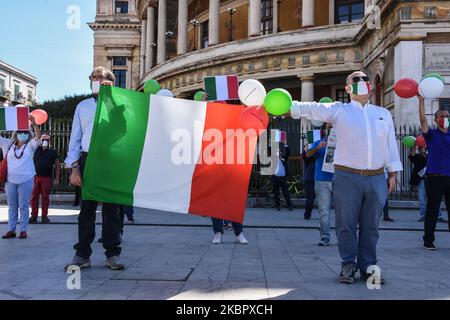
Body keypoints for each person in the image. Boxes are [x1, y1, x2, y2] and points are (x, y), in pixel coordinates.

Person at [291, 71, 402, 284]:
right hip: (347, 177)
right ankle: (348, 265)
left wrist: (393, 173)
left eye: (366, 79)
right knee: (346, 224)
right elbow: (313, 107)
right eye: (357, 80)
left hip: (377, 176)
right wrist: (291, 106)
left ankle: (369, 266)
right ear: (348, 88)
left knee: (371, 226)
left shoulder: (383, 114)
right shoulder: (338, 110)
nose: (363, 82)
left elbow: (390, 146)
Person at [64, 67, 125, 271]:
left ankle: (112, 254)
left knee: (112, 210)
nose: (95, 80)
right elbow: (75, 138)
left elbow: (122, 128)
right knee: (87, 209)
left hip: (111, 159)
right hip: (87, 159)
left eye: (100, 77)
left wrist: (109, 99)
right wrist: (74, 167)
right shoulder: (82, 106)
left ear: (110, 81)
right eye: (93, 77)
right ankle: (82, 254)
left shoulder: (120, 103)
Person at [1, 116, 42, 239]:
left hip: (26, 179)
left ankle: (23, 230)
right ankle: (11, 229)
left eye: (25, 132)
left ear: (28, 134)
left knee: (24, 205)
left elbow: (38, 137)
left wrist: (34, 124)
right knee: (12, 206)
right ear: (15, 133)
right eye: (20, 131)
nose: (22, 134)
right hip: (10, 180)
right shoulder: (8, 144)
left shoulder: (31, 145)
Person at [418, 96, 450, 250]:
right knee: (433, 210)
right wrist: (421, 102)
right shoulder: (431, 135)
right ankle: (428, 241)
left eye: (447, 116)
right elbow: (423, 121)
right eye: (442, 116)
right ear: (436, 120)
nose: (445, 118)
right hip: (434, 178)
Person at [306, 123, 334, 246]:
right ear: (324, 130)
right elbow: (307, 154)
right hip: (322, 180)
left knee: (343, 212)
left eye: (332, 127)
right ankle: (325, 237)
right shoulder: (319, 141)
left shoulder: (343, 143)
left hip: (340, 180)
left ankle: (344, 238)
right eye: (328, 127)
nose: (330, 129)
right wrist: (317, 148)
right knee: (324, 211)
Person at [409, 144, 445, 223]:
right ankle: (423, 215)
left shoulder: (432, 156)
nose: (423, 149)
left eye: (424, 148)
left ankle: (439, 216)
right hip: (421, 181)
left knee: (435, 199)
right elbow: (411, 157)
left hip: (432, 180)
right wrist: (414, 146)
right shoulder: (418, 157)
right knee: (422, 199)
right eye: (421, 148)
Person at [29, 134, 60, 224]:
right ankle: (33, 216)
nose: (45, 141)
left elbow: (57, 166)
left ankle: (44, 216)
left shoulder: (53, 152)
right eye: (43, 139)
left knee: (45, 197)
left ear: (50, 141)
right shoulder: (35, 150)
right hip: (34, 177)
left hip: (46, 178)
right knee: (33, 197)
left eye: (47, 139)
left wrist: (57, 178)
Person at [271, 141, 294, 211]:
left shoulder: (284, 159)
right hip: (275, 177)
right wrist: (270, 144)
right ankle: (277, 206)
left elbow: (288, 154)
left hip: (283, 178)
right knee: (276, 193)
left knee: (286, 192)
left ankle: (289, 206)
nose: (279, 153)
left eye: (280, 152)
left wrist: (286, 144)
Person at [302, 142, 316, 219]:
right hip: (310, 178)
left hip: (318, 178)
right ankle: (307, 214)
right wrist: (305, 149)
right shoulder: (309, 158)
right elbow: (305, 156)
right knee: (310, 198)